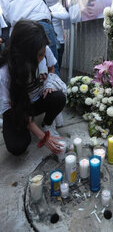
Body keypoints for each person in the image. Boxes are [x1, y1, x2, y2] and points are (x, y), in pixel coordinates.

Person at [0, 20, 66, 156]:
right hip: (15, 110)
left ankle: (46, 124)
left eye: (43, 53)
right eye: (39, 55)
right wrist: (43, 137)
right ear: (24, 54)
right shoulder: (5, 73)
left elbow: (52, 66)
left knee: (58, 97)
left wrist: (49, 84)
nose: (42, 58)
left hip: (34, 101)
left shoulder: (43, 50)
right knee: (17, 147)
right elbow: (17, 107)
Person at [0, 0, 63, 75]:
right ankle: (54, 93)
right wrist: (44, 4)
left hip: (19, 31)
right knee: (51, 70)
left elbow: (6, 14)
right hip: (41, 25)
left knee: (24, 75)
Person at [50, 2, 70, 70]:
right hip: (43, 42)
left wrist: (51, 14)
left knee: (56, 67)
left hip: (58, 41)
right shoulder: (38, 4)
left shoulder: (56, 5)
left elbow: (66, 15)